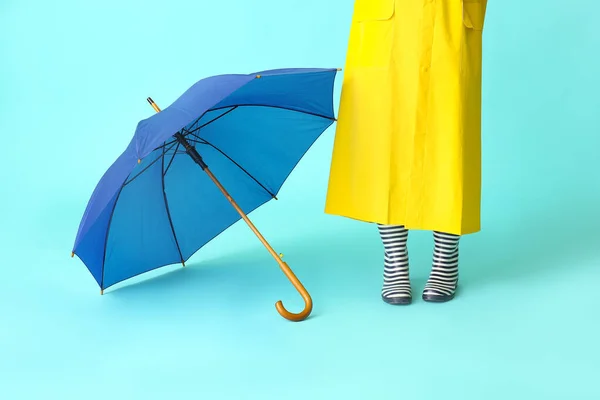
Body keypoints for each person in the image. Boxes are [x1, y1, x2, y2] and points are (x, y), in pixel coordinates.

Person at [325, 0, 488, 304]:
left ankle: (445, 257)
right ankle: (395, 259)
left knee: (450, 135)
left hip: (449, 14)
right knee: (381, 139)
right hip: (387, 19)